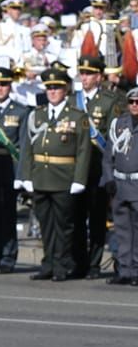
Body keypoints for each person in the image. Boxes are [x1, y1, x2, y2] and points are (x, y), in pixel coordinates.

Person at [20, 67, 91, 282]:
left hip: (63, 178)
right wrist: (26, 175)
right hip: (41, 177)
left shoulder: (77, 116)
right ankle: (48, 264)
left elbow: (83, 150)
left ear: (65, 90)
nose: (52, 91)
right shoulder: (37, 114)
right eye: (49, 88)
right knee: (46, 225)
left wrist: (79, 179)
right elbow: (27, 148)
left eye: (56, 88)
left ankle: (61, 265)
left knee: (64, 227)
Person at [74, 55, 123, 277]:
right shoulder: (72, 100)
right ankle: (78, 262)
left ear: (99, 77)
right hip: (75, 168)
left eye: (89, 74)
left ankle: (93, 264)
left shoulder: (109, 101)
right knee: (75, 217)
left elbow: (113, 137)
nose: (84, 78)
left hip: (97, 167)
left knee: (96, 218)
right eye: (82, 73)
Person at [0, 67, 29, 273]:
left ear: (10, 86)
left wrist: (21, 174)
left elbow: (23, 145)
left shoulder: (21, 111)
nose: (0, 88)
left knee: (8, 215)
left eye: (4, 85)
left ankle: (8, 258)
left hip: (9, 166)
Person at [102, 88, 138, 285]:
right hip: (120, 184)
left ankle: (136, 270)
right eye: (131, 102)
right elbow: (108, 156)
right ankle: (124, 270)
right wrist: (108, 179)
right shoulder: (118, 124)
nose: (134, 105)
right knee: (122, 229)